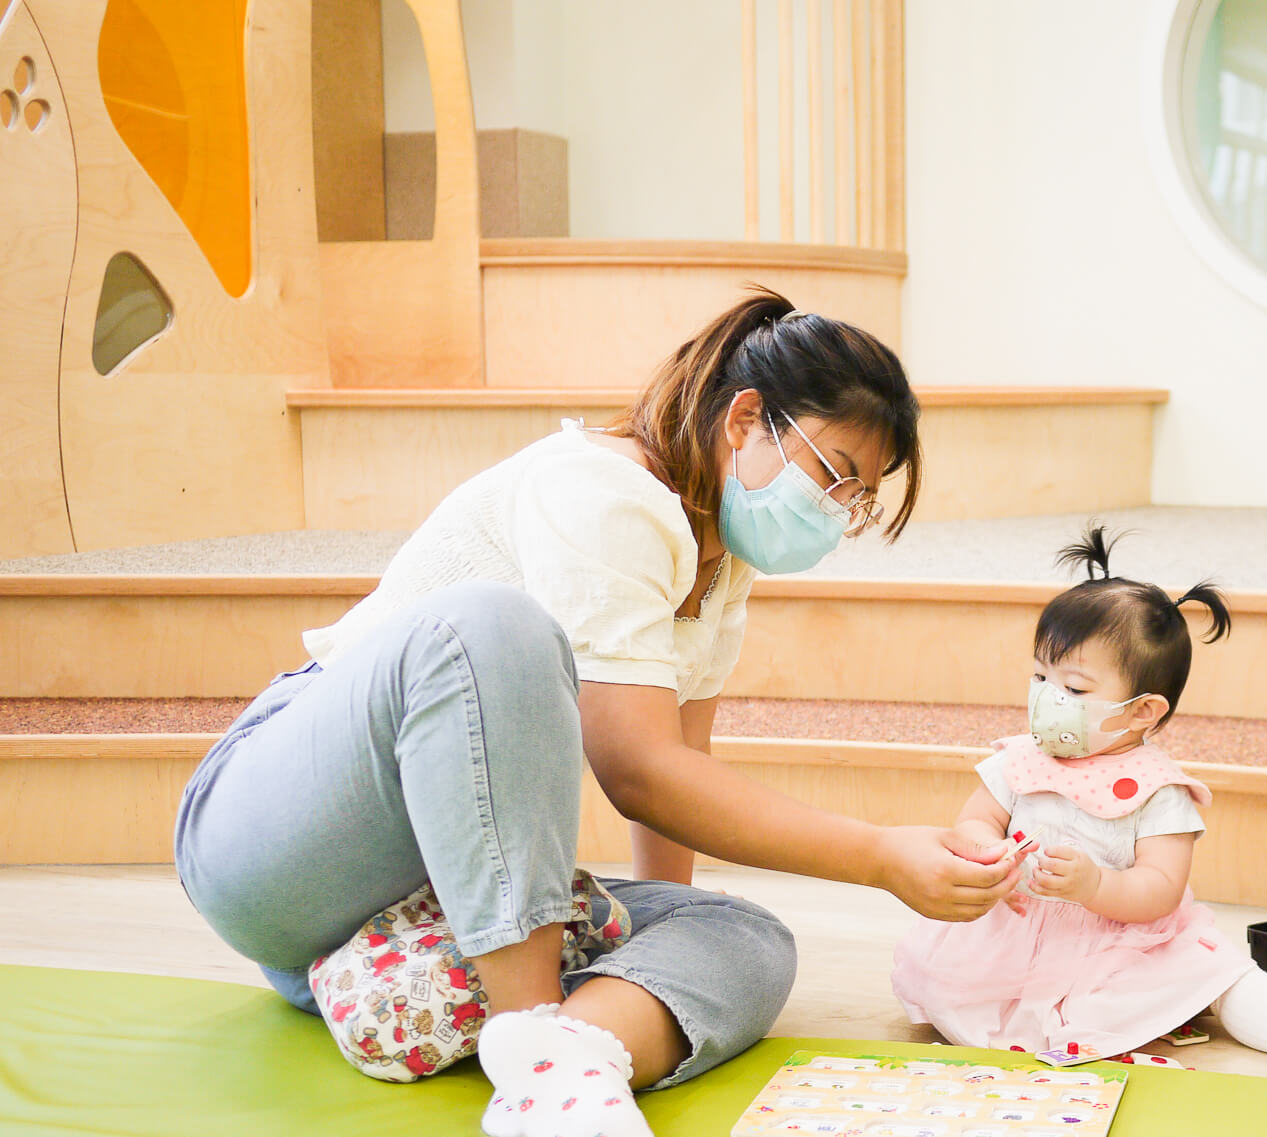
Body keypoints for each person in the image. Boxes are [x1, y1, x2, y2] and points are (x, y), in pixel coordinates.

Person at [174, 289, 1023, 1137]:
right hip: (272, 840)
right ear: (745, 420)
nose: (837, 513)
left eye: (858, 498)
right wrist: (879, 855)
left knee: (747, 936)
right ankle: (539, 1059)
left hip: (413, 900)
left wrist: (672, 921)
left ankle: (565, 1052)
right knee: (492, 625)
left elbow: (681, 782)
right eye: (835, 473)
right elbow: (640, 771)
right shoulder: (601, 490)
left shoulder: (723, 560)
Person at [891, 527, 1267, 1068]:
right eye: (1039, 676)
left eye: (1074, 689)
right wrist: (990, 855)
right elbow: (974, 822)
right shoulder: (1020, 759)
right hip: (1012, 931)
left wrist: (1095, 885)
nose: (1047, 697)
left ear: (1143, 710)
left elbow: (1160, 889)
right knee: (945, 979)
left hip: (1119, 941)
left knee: (1214, 973)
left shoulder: (1157, 788)